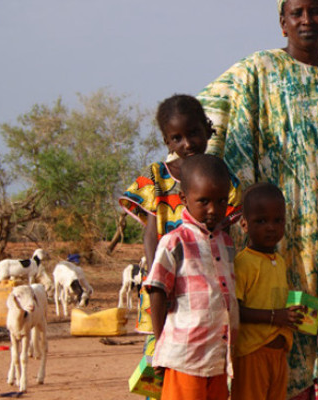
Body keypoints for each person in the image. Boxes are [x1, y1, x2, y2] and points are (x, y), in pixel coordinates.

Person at [197, 0, 318, 397]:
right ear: (282, 22)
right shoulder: (257, 70)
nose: (307, 20)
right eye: (297, 12)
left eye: (316, 11)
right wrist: (195, 177)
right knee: (278, 331)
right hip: (276, 237)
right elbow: (201, 114)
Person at [118, 94, 243, 387]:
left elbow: (231, 220)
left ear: (207, 130)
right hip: (165, 279)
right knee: (161, 359)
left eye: (194, 133)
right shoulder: (158, 177)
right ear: (167, 142)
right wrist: (156, 277)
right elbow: (151, 233)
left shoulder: (218, 174)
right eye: (177, 138)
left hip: (203, 286)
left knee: (203, 360)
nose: (187, 144)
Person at [143, 154, 241, 400]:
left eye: (221, 201)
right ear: (184, 198)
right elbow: (157, 292)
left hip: (218, 358)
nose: (213, 209)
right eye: (204, 201)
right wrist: (160, 345)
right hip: (184, 357)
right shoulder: (174, 242)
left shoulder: (226, 243)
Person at [232, 182, 304, 400]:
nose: (271, 227)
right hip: (252, 353)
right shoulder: (243, 263)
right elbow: (234, 310)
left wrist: (294, 315)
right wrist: (275, 317)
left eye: (278, 220)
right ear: (244, 224)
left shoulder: (279, 262)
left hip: (278, 354)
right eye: (261, 221)